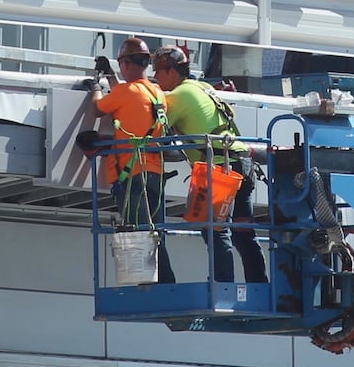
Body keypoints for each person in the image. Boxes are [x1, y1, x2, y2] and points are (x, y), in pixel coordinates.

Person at [151, 45, 266, 284]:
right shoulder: (202, 87)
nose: (155, 78)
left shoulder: (177, 96)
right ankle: (258, 284)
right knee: (244, 233)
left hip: (219, 169)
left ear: (171, 72)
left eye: (158, 72)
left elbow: (154, 132)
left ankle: (222, 286)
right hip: (242, 163)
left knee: (215, 230)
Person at [92, 37, 175, 284]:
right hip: (154, 174)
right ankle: (165, 282)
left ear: (126, 65)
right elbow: (127, 97)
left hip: (131, 177)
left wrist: (95, 85)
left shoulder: (125, 92)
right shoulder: (156, 92)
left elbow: (99, 108)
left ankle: (157, 284)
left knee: (139, 233)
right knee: (155, 232)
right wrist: (109, 76)